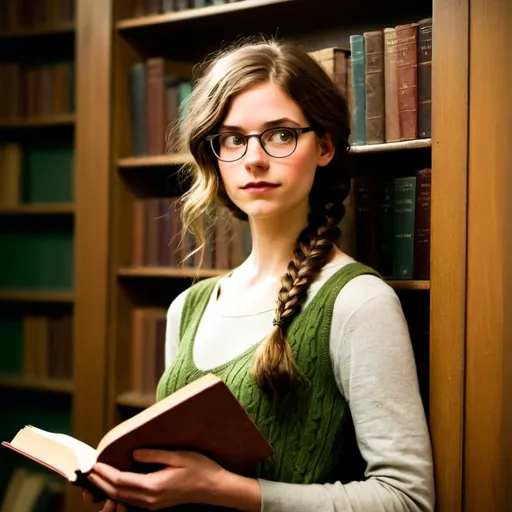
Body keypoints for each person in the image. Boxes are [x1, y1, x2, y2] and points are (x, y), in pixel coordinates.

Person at [83, 36, 435, 512]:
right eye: (233, 138)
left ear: (325, 145)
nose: (253, 158)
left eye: (281, 134)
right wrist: (137, 489)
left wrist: (223, 489)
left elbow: (408, 499)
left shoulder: (358, 302)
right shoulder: (188, 307)